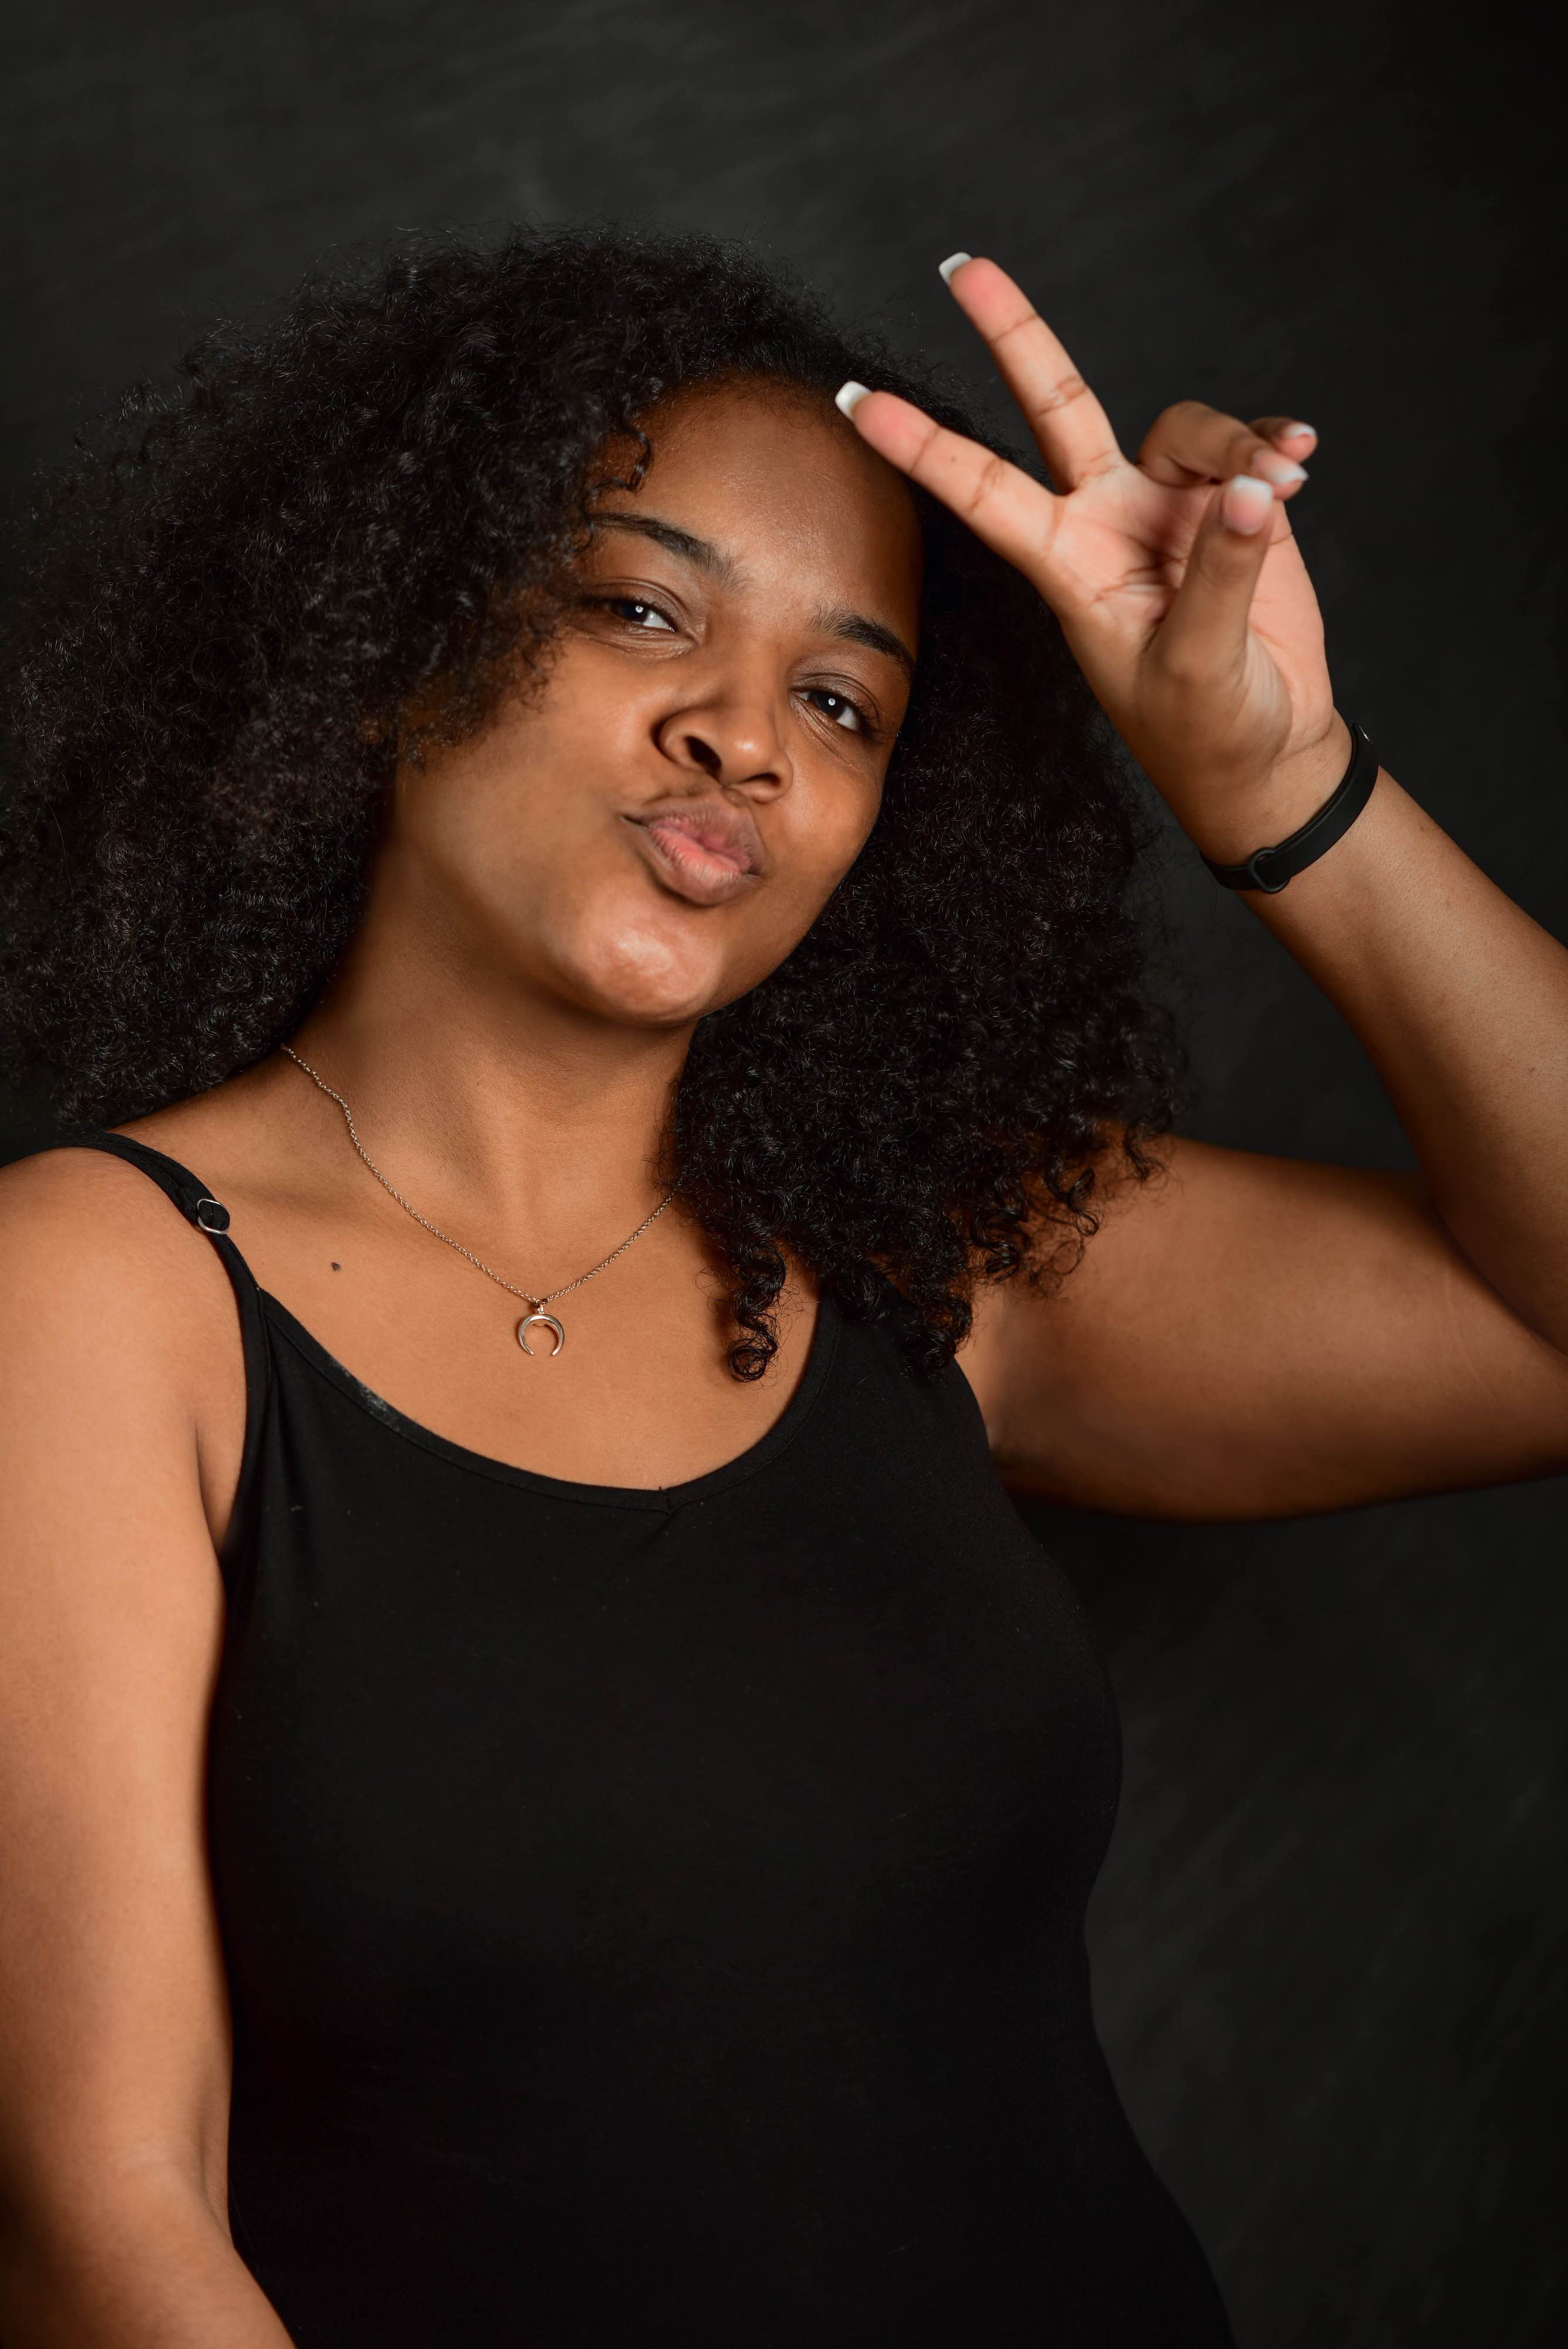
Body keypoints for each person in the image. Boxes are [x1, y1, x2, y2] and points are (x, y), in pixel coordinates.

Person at [0, 226, 1563, 2349]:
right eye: (640, 607)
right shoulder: (93, 1291)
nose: (745, 737)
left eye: (842, 700)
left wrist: (1279, 785)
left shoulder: (935, 1253)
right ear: (389, 637)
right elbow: (107, 2230)